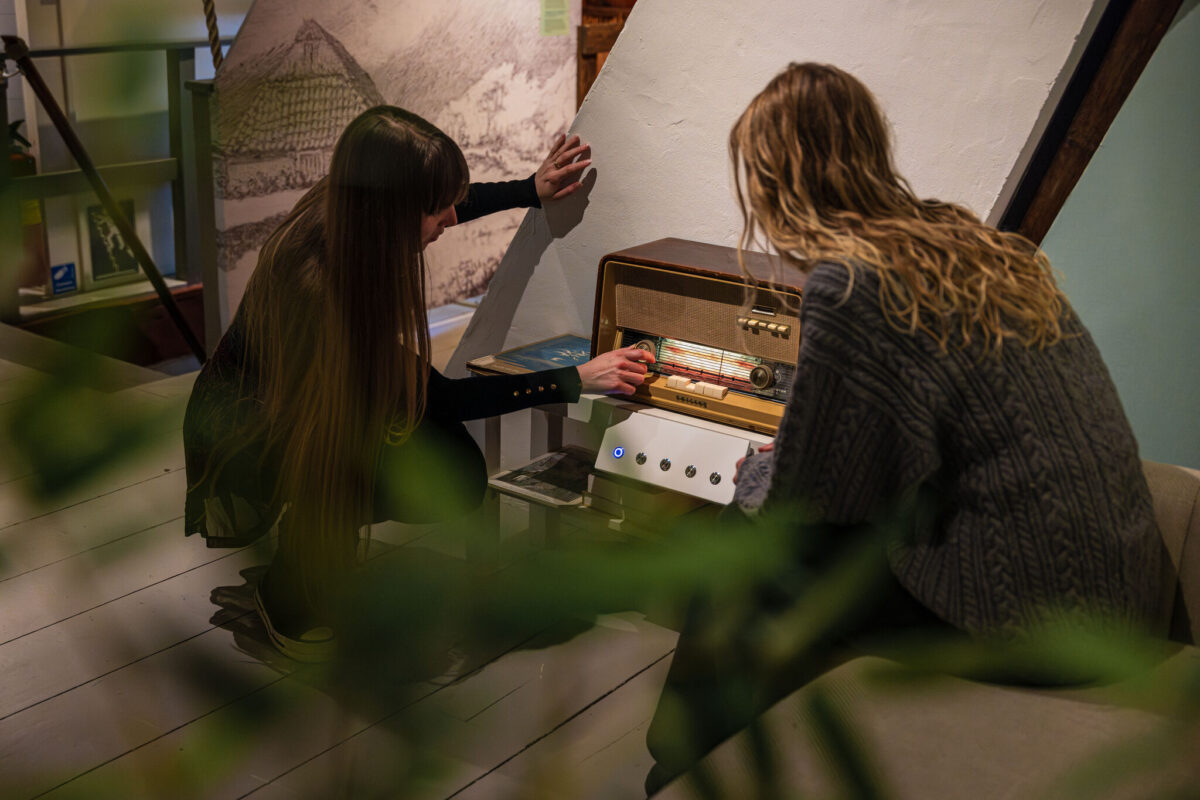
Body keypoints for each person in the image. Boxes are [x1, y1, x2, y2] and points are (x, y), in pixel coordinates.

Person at [645, 62, 1163, 791]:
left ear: (772, 181)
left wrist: (762, 469)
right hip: (1125, 599)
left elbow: (806, 502)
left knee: (749, 542)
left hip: (1030, 620)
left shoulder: (850, 282)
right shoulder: (977, 244)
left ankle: (678, 766)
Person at [183, 106, 653, 661]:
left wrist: (529, 189)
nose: (450, 218)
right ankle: (290, 589)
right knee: (419, 468)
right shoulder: (323, 291)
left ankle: (320, 539)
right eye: (434, 208)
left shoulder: (349, 208)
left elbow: (451, 204)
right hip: (254, 427)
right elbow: (443, 398)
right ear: (391, 212)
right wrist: (575, 379)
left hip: (310, 401)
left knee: (445, 461)